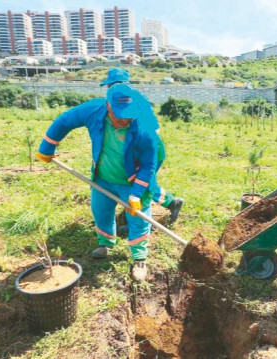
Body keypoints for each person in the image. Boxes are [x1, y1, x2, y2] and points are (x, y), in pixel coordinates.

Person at [36, 83, 158, 282]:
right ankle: (106, 243)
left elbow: (149, 165)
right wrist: (47, 147)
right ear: (108, 106)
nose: (125, 119)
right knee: (101, 211)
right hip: (102, 178)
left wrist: (136, 194)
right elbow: (64, 122)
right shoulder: (93, 110)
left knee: (139, 218)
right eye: (120, 114)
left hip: (133, 180)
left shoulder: (145, 127)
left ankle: (139, 258)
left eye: (128, 114)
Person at [101, 68, 184, 225]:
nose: (108, 89)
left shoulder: (125, 102)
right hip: (146, 145)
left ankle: (151, 215)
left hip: (146, 147)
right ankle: (169, 202)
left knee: (141, 182)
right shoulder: (135, 97)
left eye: (109, 85)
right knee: (138, 181)